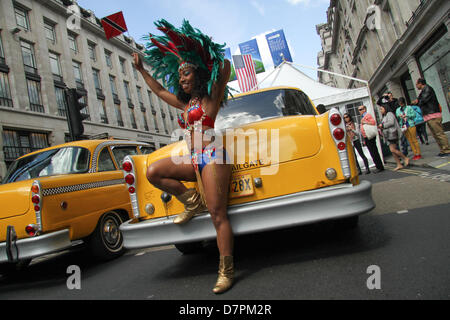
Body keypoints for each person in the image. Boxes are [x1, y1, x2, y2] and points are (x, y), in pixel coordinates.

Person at [132, 19, 234, 294]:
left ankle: (226, 271)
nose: (182, 79)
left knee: (217, 214)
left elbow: (224, 70)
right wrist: (142, 69)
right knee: (153, 171)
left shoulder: (210, 97)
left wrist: (207, 53)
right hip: (193, 160)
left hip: (214, 156)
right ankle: (191, 199)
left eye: (186, 74)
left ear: (197, 75)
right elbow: (159, 90)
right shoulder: (185, 103)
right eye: (180, 75)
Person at [412, 78, 450, 157]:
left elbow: (423, 100)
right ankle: (443, 150)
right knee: (435, 135)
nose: (416, 86)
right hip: (429, 116)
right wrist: (417, 101)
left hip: (433, 115)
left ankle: (447, 150)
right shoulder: (423, 91)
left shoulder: (427, 89)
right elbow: (419, 100)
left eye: (416, 84)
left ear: (420, 83)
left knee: (439, 133)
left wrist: (417, 102)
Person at [379, 105, 410, 171]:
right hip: (388, 135)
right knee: (392, 151)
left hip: (392, 134)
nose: (380, 110)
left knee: (393, 150)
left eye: (381, 109)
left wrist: (383, 125)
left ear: (385, 108)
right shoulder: (384, 116)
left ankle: (405, 158)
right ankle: (399, 164)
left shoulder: (389, 114)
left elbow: (391, 122)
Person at [358, 105, 385, 173]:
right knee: (372, 152)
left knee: (374, 151)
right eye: (359, 110)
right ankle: (378, 166)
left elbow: (373, 122)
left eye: (361, 109)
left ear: (364, 109)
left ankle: (379, 166)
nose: (360, 111)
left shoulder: (367, 115)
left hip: (370, 136)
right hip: (366, 137)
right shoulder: (363, 116)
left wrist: (365, 122)